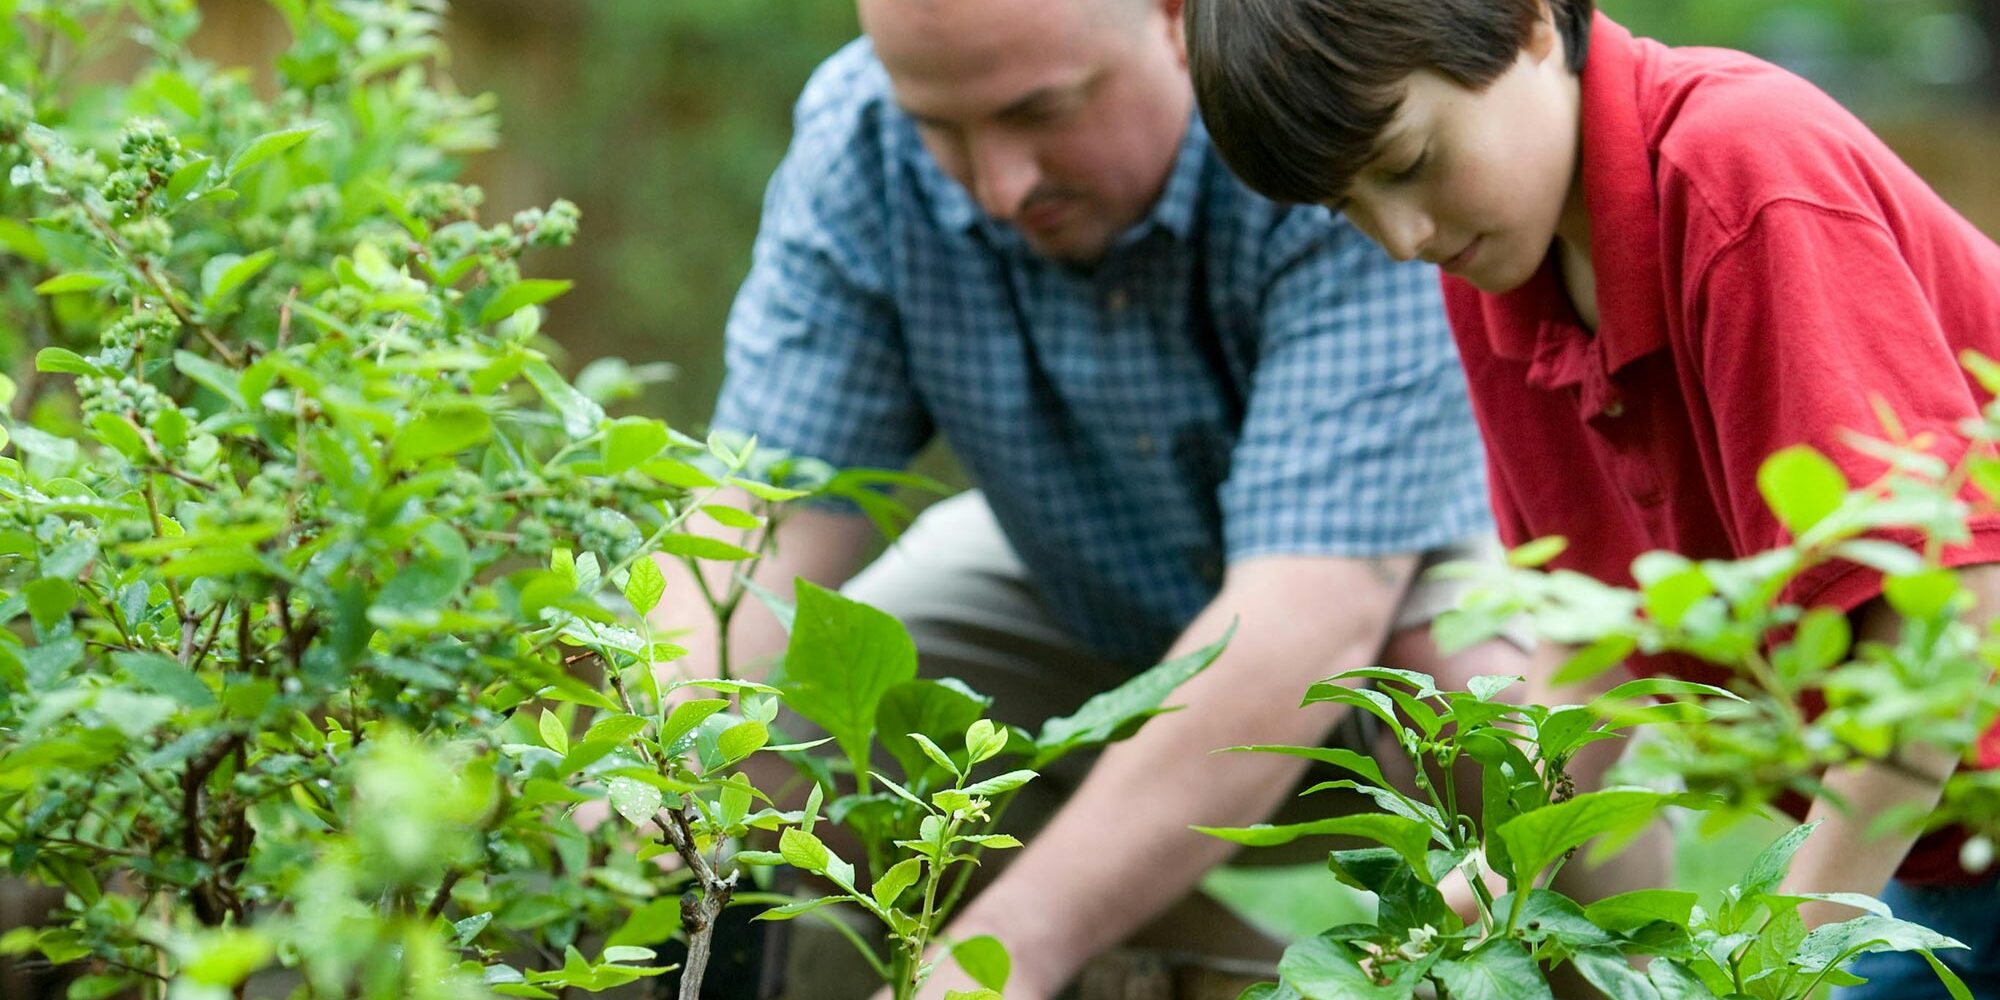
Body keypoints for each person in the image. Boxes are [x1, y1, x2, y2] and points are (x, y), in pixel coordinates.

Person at [659, 0, 1531, 995]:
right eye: (939, 127)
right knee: (783, 722)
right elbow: (753, 530)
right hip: (1072, 577)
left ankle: (1597, 966)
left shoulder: (1313, 107)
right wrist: (619, 788)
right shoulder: (859, 139)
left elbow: (1305, 616)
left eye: (1040, 112)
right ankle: (1232, 980)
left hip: (1389, 571)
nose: (998, 184)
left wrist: (998, 964)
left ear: (1172, 16)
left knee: (1495, 709)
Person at [1183, 0, 2000, 995]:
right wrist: (1496, 881)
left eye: (1404, 163)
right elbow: (1587, 633)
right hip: (1938, 852)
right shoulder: (1495, 267)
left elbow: (1952, 614)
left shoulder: (1736, 172)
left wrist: (1769, 961)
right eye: (1344, 206)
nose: (1398, 237)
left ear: (1529, 23)